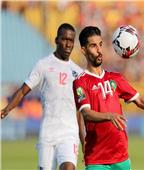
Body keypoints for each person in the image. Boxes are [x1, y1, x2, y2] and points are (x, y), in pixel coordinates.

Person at [73, 26, 144, 170]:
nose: (99, 50)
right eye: (93, 46)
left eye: (100, 45)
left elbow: (139, 99)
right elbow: (86, 114)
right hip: (96, 159)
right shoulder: (80, 82)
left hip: (121, 157)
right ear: (83, 50)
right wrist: (110, 116)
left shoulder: (115, 78)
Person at [1, 23, 83, 170]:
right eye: (64, 39)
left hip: (69, 133)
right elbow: (23, 90)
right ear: (56, 40)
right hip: (48, 132)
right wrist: (7, 109)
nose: (68, 44)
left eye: (71, 40)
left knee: (69, 167)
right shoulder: (43, 65)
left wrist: (84, 139)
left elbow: (80, 109)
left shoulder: (78, 72)